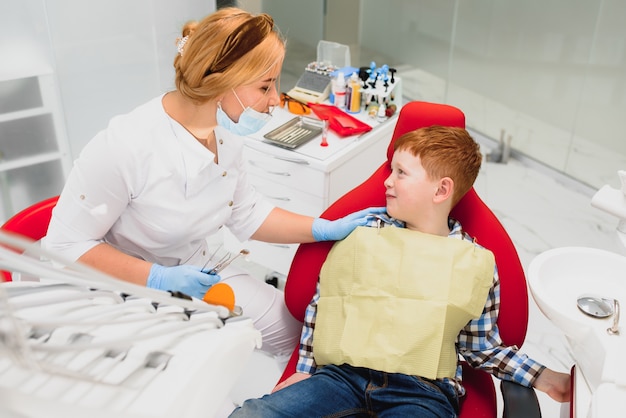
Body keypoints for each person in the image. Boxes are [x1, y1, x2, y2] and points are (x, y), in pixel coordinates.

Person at [43, 7, 383, 358]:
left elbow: (247, 214)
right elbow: (64, 246)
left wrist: (322, 228)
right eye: (265, 86)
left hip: (195, 270)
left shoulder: (225, 133)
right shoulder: (126, 146)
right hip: (121, 292)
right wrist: (157, 278)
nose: (275, 99)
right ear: (222, 82)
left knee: (296, 338)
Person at [230, 126, 571, 417]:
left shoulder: (472, 261)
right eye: (390, 170)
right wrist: (305, 372)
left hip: (422, 392)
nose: (387, 181)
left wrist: (542, 376)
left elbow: (479, 346)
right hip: (341, 377)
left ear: (441, 190)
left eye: (401, 173)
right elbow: (325, 306)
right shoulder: (364, 234)